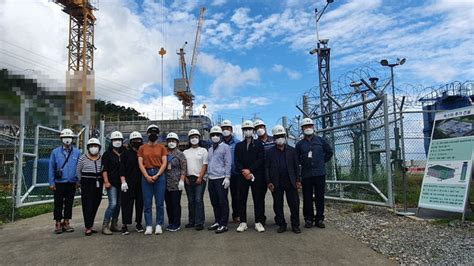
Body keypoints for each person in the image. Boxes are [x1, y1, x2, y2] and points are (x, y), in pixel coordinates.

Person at [295, 117, 333, 229]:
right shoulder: (300, 144)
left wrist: (321, 161)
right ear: (302, 129)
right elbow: (296, 159)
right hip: (306, 175)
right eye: (305, 126)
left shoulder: (320, 141)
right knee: (307, 198)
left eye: (310, 126)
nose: (308, 128)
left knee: (320, 197)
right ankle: (308, 219)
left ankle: (320, 218)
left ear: (313, 127)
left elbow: (329, 152)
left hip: (319, 174)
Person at [265, 125, 301, 234]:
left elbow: (296, 166)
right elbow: (266, 167)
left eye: (282, 136)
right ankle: (282, 224)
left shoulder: (292, 150)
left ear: (285, 136)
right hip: (276, 182)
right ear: (274, 138)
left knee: (294, 204)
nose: (280, 138)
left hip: (291, 181)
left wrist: (298, 180)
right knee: (278, 204)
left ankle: (295, 225)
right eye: (277, 136)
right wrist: (269, 182)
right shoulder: (270, 152)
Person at [235, 120, 266, 233]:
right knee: (241, 199)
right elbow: (237, 160)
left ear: (253, 131)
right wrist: (244, 171)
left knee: (258, 199)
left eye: (249, 129)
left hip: (256, 175)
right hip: (242, 176)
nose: (247, 131)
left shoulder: (259, 144)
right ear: (243, 131)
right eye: (245, 129)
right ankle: (243, 222)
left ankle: (258, 222)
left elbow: (261, 159)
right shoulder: (239, 145)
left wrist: (250, 170)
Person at [48, 128, 81, 234]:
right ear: (61, 139)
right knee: (58, 203)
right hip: (59, 183)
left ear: (72, 139)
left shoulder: (77, 152)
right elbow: (51, 168)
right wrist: (51, 183)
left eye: (69, 138)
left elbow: (79, 168)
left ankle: (66, 222)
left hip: (71, 182)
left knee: (69, 203)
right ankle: (58, 223)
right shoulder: (55, 152)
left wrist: (78, 181)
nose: (67, 139)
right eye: (65, 137)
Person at [138, 124, 168, 235]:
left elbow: (164, 162)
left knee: (160, 202)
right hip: (146, 174)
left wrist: (158, 175)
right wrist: (146, 176)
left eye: (155, 132)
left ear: (158, 135)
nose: (153, 134)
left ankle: (159, 224)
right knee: (147, 202)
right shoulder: (142, 148)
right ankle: (149, 225)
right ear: (147, 134)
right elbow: (140, 163)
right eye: (151, 132)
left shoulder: (162, 148)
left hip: (159, 174)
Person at [207, 126, 232, 234]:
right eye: (213, 135)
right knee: (214, 202)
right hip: (211, 178)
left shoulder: (225, 147)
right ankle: (217, 221)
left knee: (222, 201)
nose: (215, 137)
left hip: (221, 178)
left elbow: (228, 163)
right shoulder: (210, 148)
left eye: (217, 135)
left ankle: (223, 224)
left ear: (221, 136)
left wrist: (227, 177)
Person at [76, 138, 103, 236]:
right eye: (91, 146)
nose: (93, 148)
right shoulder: (82, 158)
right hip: (86, 182)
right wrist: (79, 182)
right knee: (87, 204)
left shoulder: (101, 158)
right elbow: (78, 171)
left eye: (95, 146)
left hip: (98, 182)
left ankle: (90, 224)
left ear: (99, 148)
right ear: (88, 148)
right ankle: (88, 227)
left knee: (96, 203)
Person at [119, 131, 144, 235]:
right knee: (126, 204)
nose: (136, 142)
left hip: (141, 182)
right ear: (130, 142)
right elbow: (121, 168)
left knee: (140, 203)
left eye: (138, 140)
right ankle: (125, 225)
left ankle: (139, 223)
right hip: (128, 183)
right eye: (134, 140)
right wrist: (123, 181)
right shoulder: (125, 154)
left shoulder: (143, 153)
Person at [183, 129, 208, 231]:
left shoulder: (203, 150)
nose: (194, 139)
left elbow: (205, 165)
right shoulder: (185, 152)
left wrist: (200, 177)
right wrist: (184, 177)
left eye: (196, 137)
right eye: (192, 137)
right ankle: (191, 221)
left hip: (199, 179)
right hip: (188, 179)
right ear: (189, 139)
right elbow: (183, 166)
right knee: (191, 201)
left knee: (198, 200)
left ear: (199, 138)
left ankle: (199, 222)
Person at [101, 131, 125, 235]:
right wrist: (106, 181)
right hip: (111, 183)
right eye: (115, 140)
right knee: (113, 204)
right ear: (111, 141)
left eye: (119, 140)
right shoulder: (107, 154)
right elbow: (104, 169)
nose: (117, 142)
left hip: (122, 183)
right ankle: (105, 225)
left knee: (119, 204)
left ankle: (114, 224)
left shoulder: (124, 153)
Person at [164, 132, 187, 232]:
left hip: (176, 182)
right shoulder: (164, 153)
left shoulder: (180, 154)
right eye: (169, 141)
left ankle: (176, 223)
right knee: (168, 204)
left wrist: (182, 180)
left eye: (173, 141)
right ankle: (171, 222)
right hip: (165, 183)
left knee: (175, 203)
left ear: (177, 142)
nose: (171, 143)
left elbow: (184, 168)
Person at [254, 119, 274, 225]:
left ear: (265, 127)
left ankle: (279, 218)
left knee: (277, 197)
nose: (259, 129)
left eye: (261, 127)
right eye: (257, 128)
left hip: (273, 173)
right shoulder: (255, 143)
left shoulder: (274, 140)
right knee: (259, 198)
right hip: (260, 174)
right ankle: (261, 219)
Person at [220, 119, 241, 223]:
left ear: (231, 129)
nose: (225, 130)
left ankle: (236, 215)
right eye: (223, 128)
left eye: (227, 128)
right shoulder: (217, 143)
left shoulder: (237, 143)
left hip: (235, 173)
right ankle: (223, 216)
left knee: (236, 196)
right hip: (221, 174)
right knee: (222, 197)